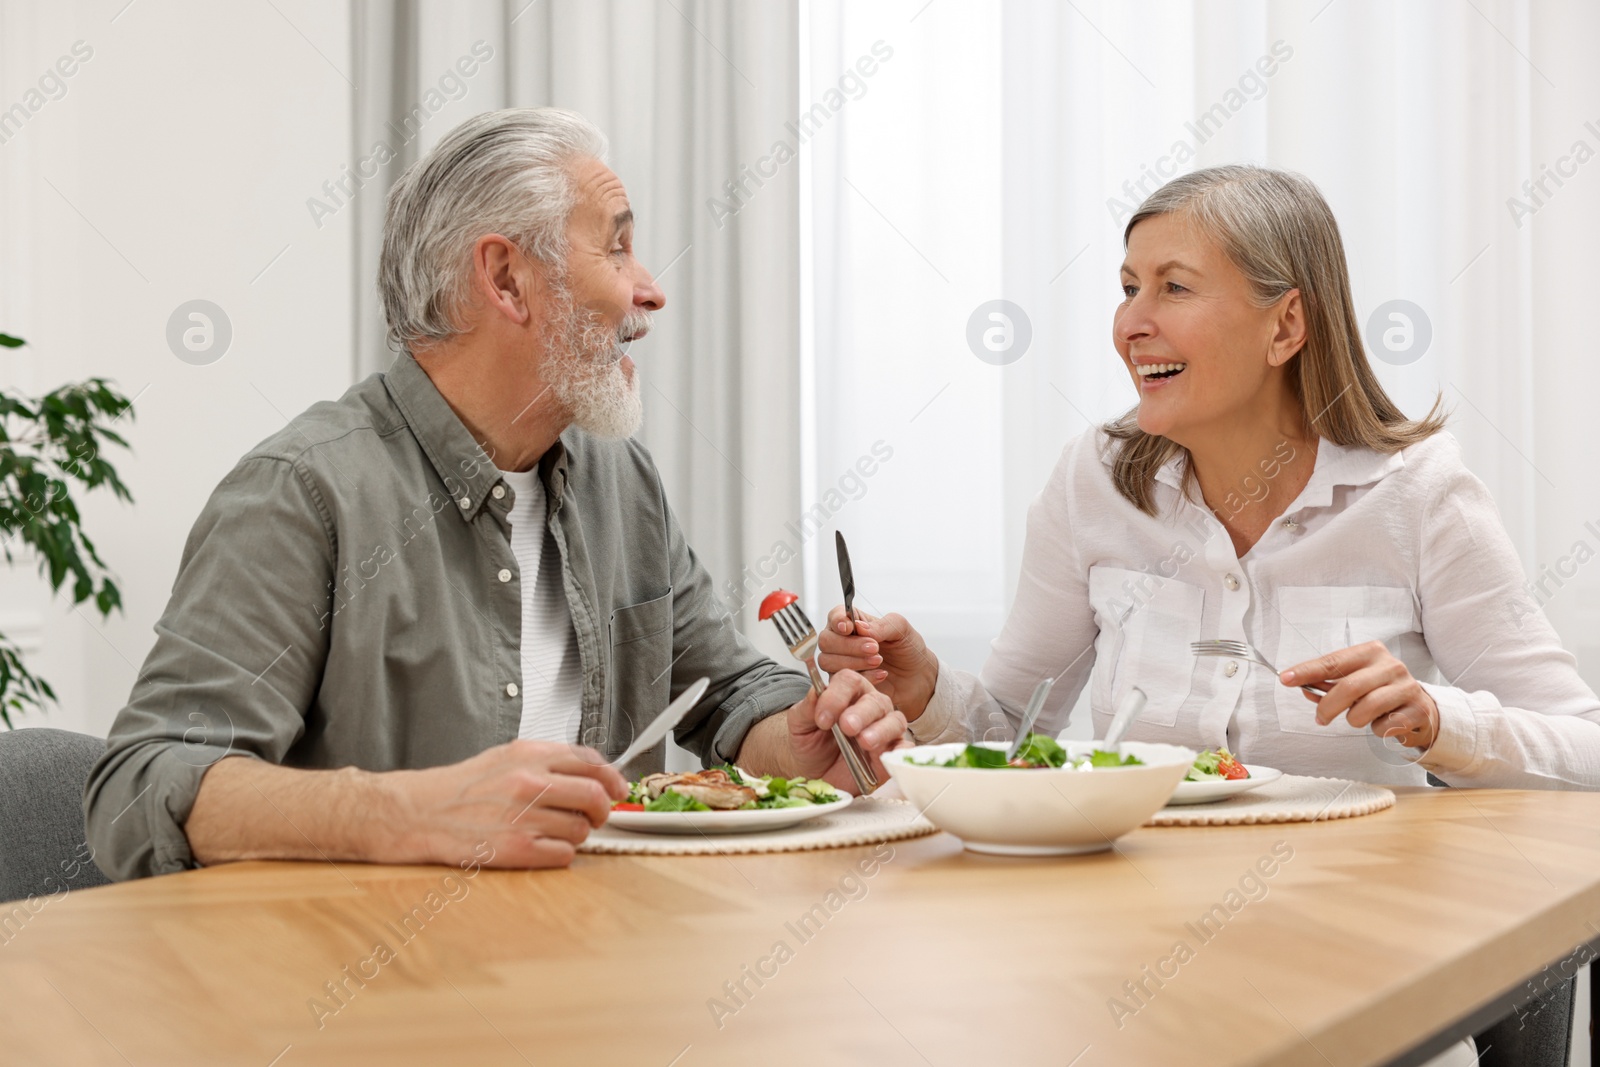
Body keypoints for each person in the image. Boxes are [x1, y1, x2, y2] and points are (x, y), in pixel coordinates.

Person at [84, 108, 906, 881]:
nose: (649, 290)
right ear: (507, 279)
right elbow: (142, 782)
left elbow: (728, 693)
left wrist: (799, 744)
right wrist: (407, 812)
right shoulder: (303, 493)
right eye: (617, 250)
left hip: (598, 960)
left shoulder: (622, 481)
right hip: (365, 991)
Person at [820, 164, 1600, 790]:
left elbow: (1582, 748)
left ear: (1286, 325)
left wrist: (1438, 720)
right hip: (1143, 919)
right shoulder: (1089, 481)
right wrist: (923, 690)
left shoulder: (1420, 493)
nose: (1131, 322)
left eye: (1174, 286)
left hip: (1362, 923)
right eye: (1129, 287)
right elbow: (1010, 739)